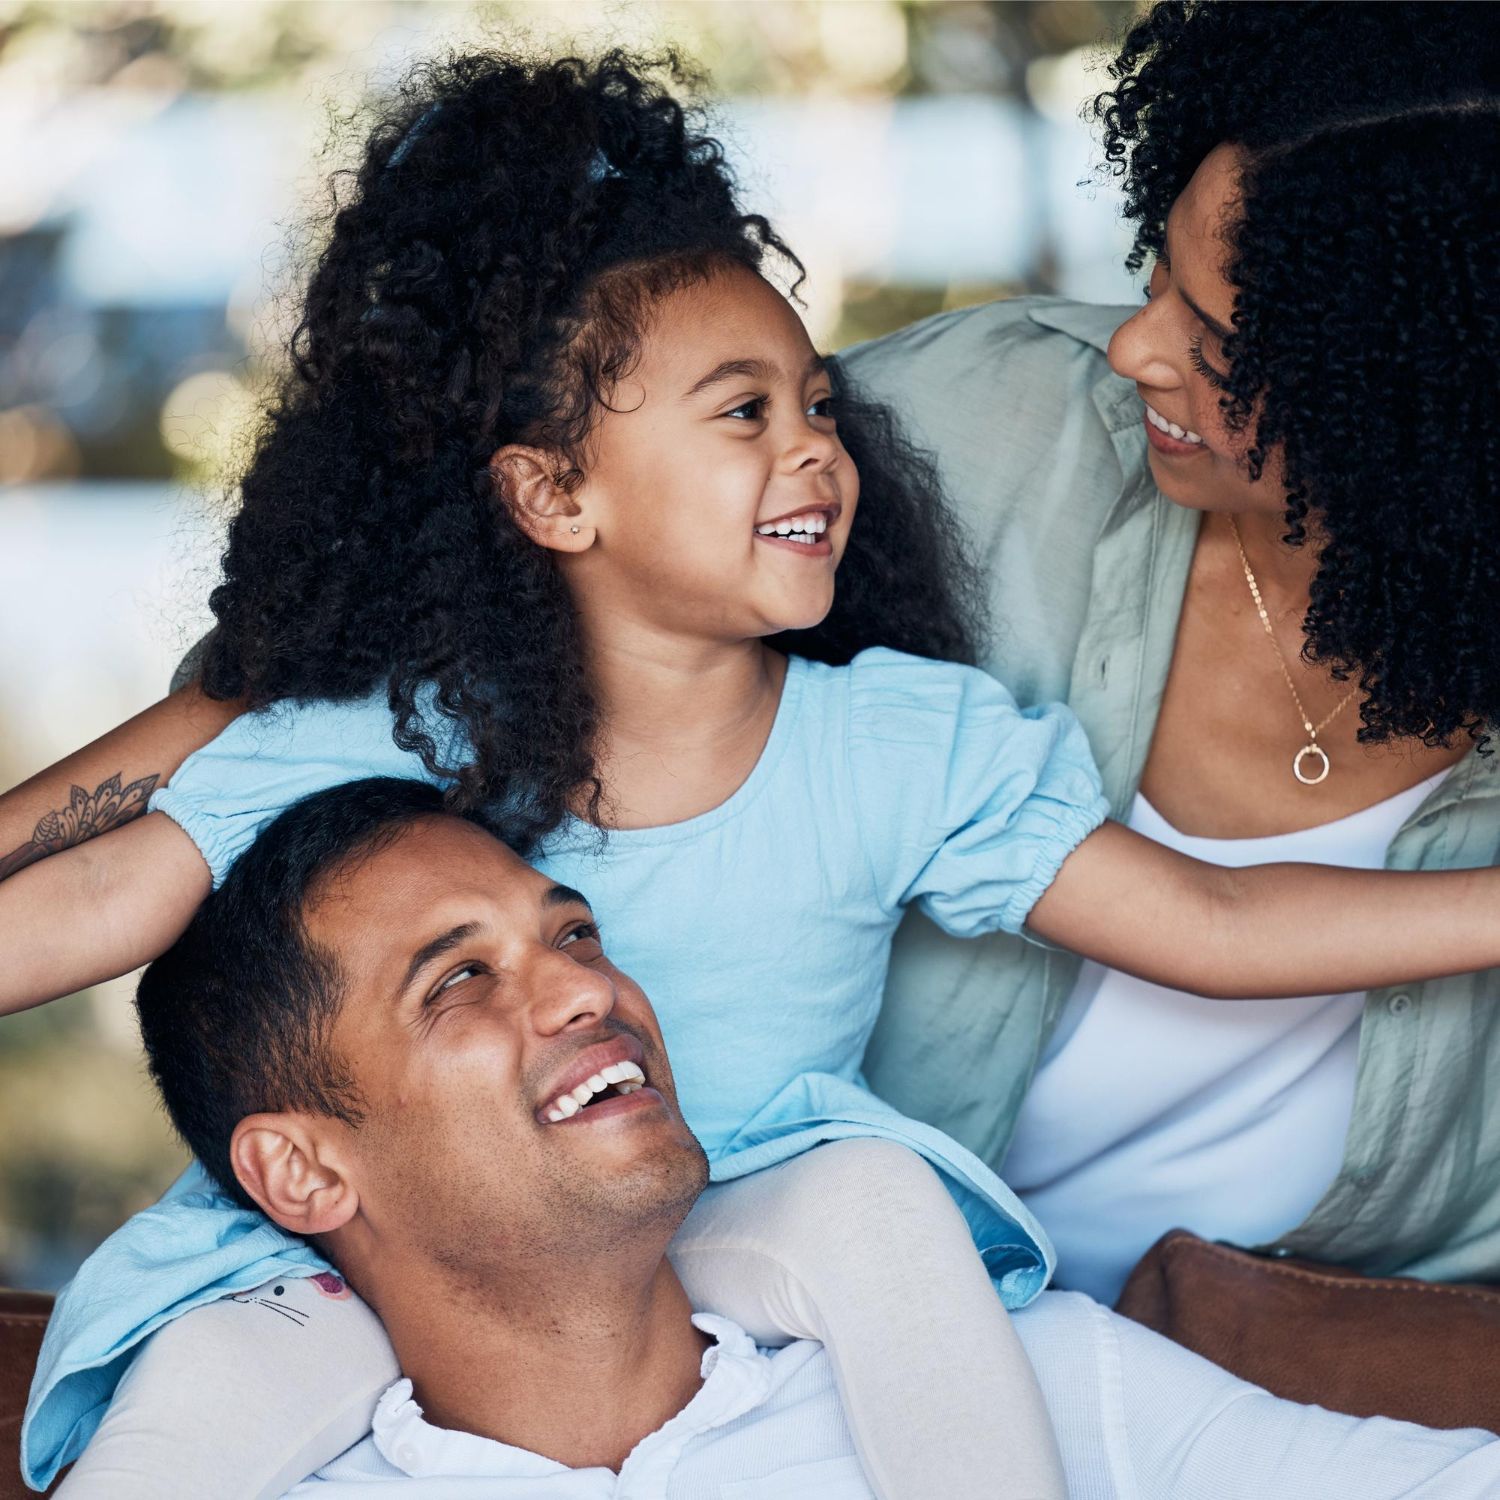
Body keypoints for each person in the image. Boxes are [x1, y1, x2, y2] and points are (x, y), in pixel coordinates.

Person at [7, 33, 1500, 1500]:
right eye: (747, 414)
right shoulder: (407, 725)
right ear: (552, 494)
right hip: (402, 1236)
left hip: (742, 1203)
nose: (817, 450)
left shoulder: (901, 744)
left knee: (881, 1210)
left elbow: (1217, 926)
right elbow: (93, 904)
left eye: (818, 406)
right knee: (216, 1373)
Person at [113, 776, 1500, 1500]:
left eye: (574, 932)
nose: (591, 988)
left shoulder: (1027, 1386)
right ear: (301, 1169)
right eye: (456, 979)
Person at [842, 0, 1500, 1304]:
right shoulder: (945, 443)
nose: (1136, 348)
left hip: (1295, 1390)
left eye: (1220, 345)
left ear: (1422, 411)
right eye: (1157, 279)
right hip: (858, 1319)